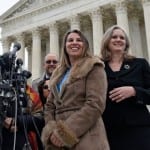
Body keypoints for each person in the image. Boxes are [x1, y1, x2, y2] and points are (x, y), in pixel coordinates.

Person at [41, 29, 110, 150]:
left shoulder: (94, 66)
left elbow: (95, 104)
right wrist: (51, 130)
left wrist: (65, 132)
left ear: (85, 45)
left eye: (79, 40)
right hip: (57, 140)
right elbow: (49, 106)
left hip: (86, 136)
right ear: (65, 46)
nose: (74, 43)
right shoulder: (58, 73)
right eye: (70, 40)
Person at [100, 25, 150, 150]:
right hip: (109, 129)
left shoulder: (140, 64)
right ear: (107, 41)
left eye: (122, 37)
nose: (119, 40)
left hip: (138, 128)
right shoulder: (99, 67)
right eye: (114, 37)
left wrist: (134, 91)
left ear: (126, 43)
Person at [2, 84, 45, 150]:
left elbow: (40, 118)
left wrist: (18, 121)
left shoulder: (30, 93)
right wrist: (2, 120)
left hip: (25, 143)